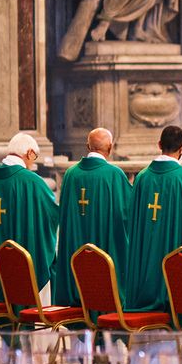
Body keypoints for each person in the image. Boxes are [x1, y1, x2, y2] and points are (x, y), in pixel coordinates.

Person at [126, 126, 182, 313]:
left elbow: (131, 220)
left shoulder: (142, 178)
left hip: (145, 264)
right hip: (176, 266)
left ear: (159, 145)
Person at [52, 128, 132, 307]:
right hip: (105, 254)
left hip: (76, 258)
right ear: (110, 148)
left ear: (87, 146)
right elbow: (129, 215)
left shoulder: (71, 175)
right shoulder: (114, 175)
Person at [0, 133, 59, 302]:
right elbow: (52, 214)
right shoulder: (31, 181)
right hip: (22, 256)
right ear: (29, 153)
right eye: (34, 156)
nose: (33, 162)